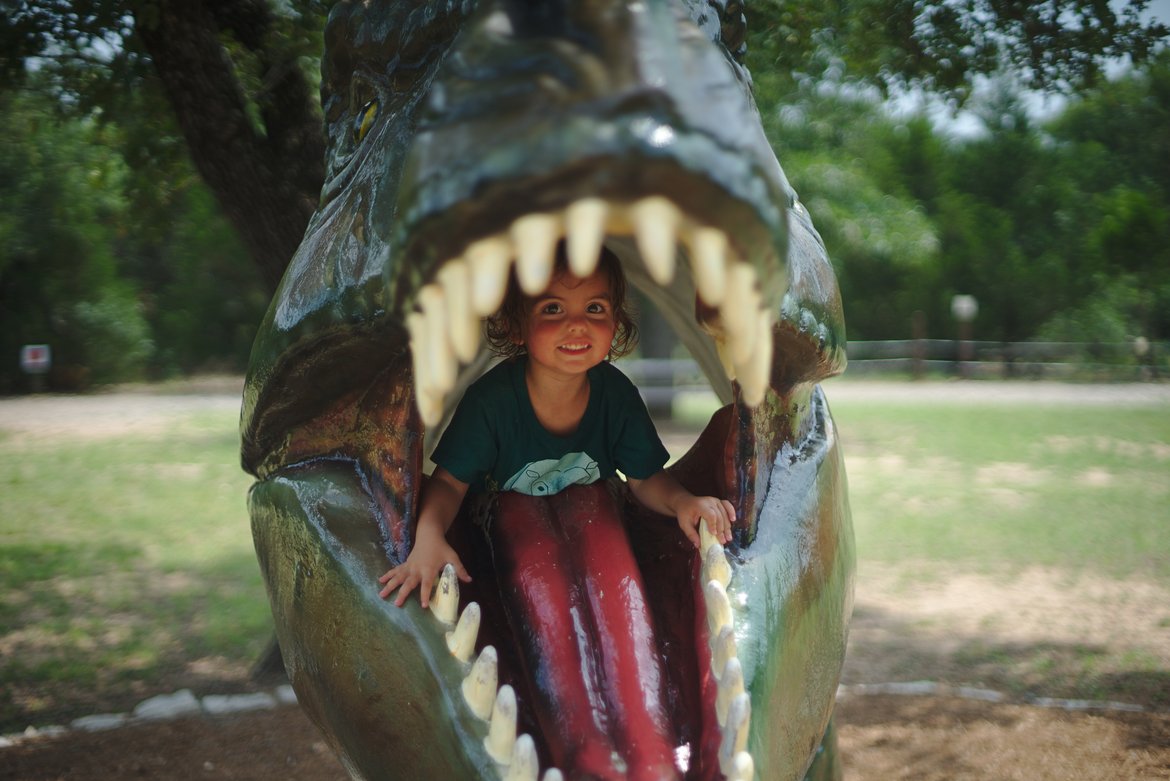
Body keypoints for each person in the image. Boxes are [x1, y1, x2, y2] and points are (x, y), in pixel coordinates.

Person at [378, 243, 735, 779]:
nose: (577, 325)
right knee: (541, 561)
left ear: (616, 324)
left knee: (598, 532)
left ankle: (646, 752)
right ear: (517, 327)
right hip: (511, 534)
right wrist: (429, 536)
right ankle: (583, 754)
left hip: (597, 528)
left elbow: (644, 480)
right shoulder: (492, 401)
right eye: (552, 309)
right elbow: (449, 484)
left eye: (595, 309)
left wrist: (684, 502)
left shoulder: (613, 393)